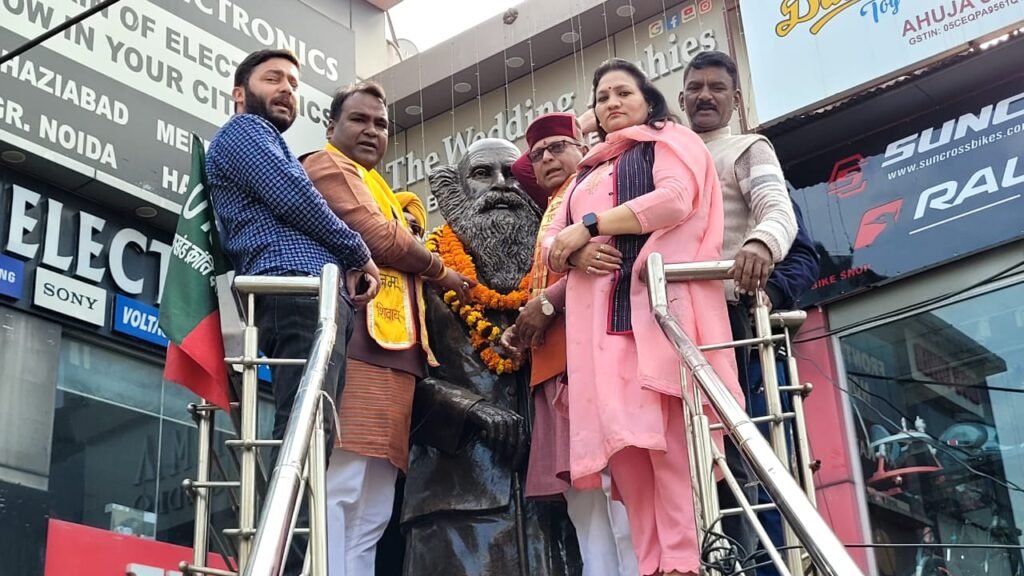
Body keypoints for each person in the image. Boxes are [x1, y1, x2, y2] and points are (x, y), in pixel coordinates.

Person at [545, 58, 741, 576]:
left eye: (622, 93)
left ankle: (684, 563)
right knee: (625, 450)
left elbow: (675, 200)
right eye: (602, 97)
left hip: (655, 318)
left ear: (648, 100)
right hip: (598, 333)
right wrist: (574, 252)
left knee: (670, 444)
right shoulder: (587, 170)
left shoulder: (670, 141)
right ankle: (651, 565)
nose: (611, 103)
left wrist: (590, 226)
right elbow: (551, 241)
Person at [206, 49, 380, 575]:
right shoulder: (245, 133)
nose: (287, 88)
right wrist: (357, 251)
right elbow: (296, 197)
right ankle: (277, 563)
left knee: (312, 435)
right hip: (296, 287)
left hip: (314, 294)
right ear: (240, 93)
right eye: (273, 78)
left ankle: (282, 561)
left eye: (294, 83)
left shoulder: (266, 139)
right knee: (301, 434)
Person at [299, 81, 473, 576]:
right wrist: (440, 271)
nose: (371, 131)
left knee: (373, 505)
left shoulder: (381, 190)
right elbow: (378, 237)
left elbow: (395, 235)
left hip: (395, 354)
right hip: (357, 346)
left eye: (380, 124)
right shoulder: (327, 166)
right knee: (341, 487)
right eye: (358, 120)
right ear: (331, 127)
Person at [401, 138, 582, 576]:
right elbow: (395, 378)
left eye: (514, 174)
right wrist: (470, 408)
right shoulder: (422, 273)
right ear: (454, 191)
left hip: (557, 503)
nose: (502, 185)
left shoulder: (559, 273)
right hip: (456, 502)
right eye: (483, 174)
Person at [680, 50, 805, 561]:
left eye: (717, 87)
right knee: (691, 466)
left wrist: (759, 246)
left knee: (749, 462)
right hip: (675, 328)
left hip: (735, 328)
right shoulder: (665, 153)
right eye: (695, 87)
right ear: (681, 98)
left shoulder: (748, 148)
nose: (705, 95)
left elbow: (778, 211)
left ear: (735, 99)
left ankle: (762, 567)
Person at [504, 112, 638, 576]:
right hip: (552, 363)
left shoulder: (599, 184)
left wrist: (547, 303)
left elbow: (614, 255)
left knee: (619, 489)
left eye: (558, 147)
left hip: (594, 356)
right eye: (538, 154)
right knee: (583, 504)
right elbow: (518, 168)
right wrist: (526, 323)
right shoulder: (551, 206)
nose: (545, 159)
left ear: (584, 148)